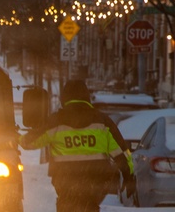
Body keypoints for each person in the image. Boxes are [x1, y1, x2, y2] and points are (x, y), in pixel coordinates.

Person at [19, 79, 135, 212]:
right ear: (87, 97)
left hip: (66, 185)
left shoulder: (55, 122)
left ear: (64, 98)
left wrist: (16, 137)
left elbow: (29, 142)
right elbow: (122, 153)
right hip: (94, 186)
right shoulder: (103, 122)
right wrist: (128, 177)